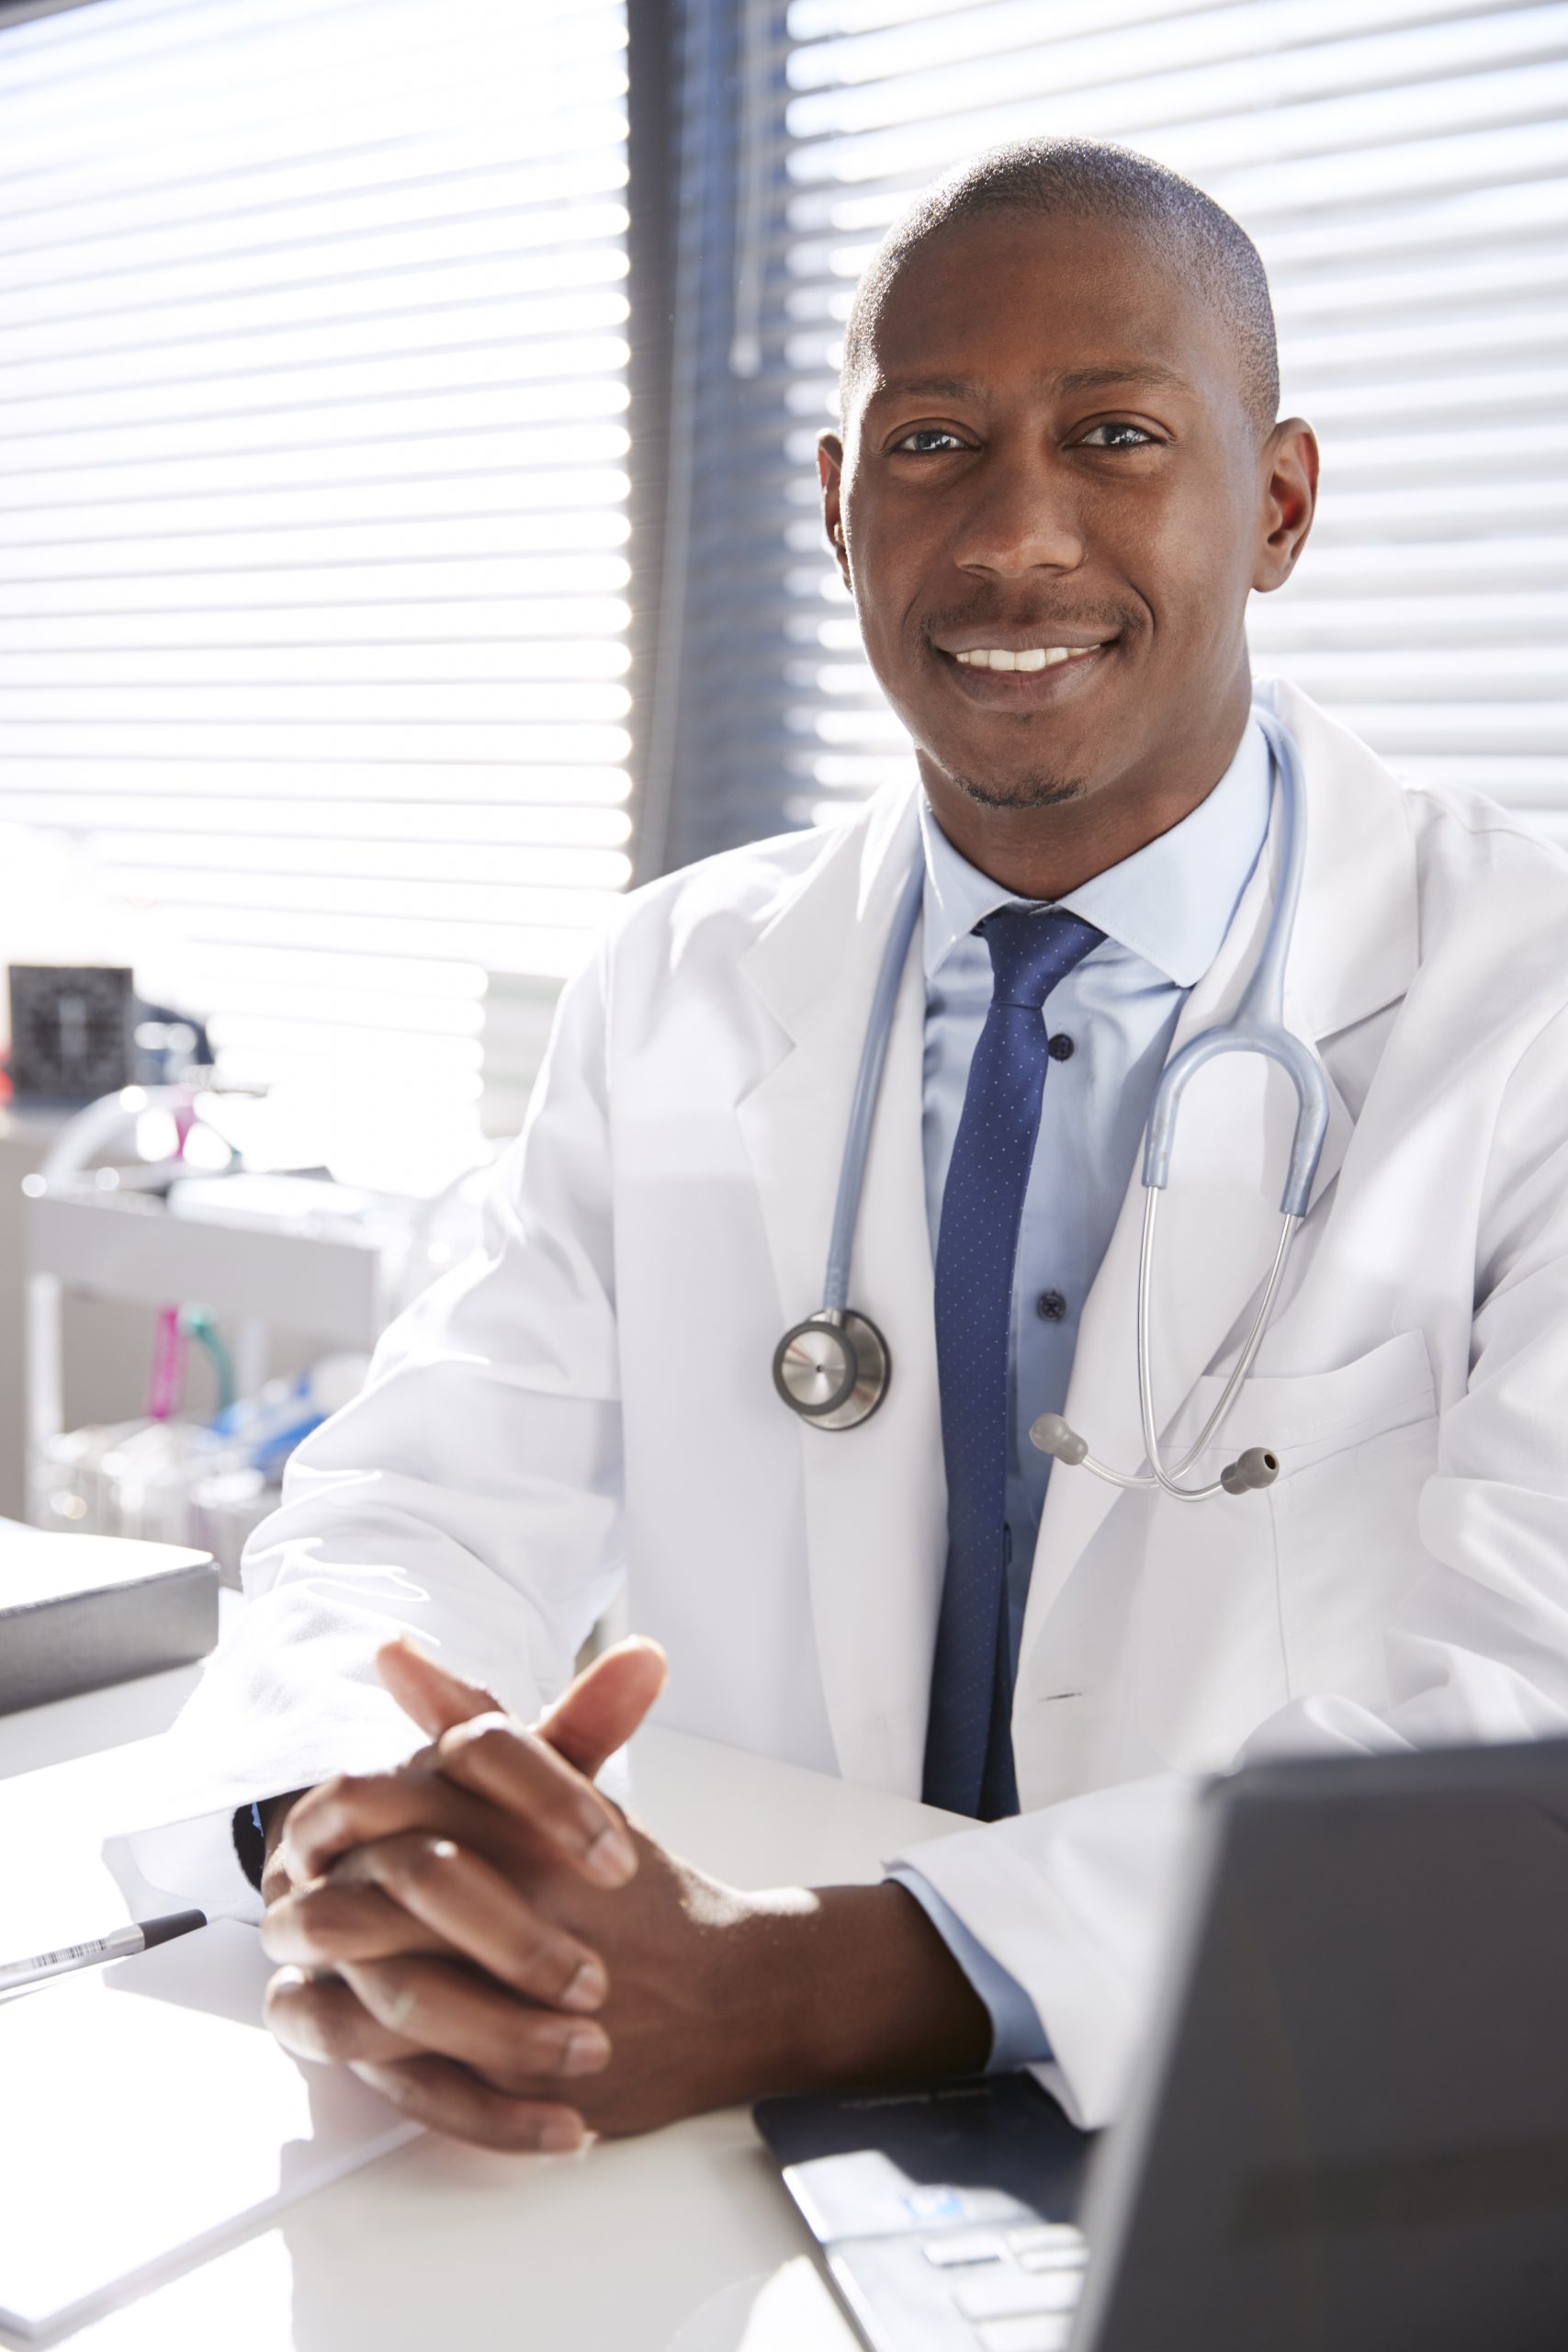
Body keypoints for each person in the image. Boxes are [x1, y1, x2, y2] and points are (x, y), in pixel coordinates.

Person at [132, 136, 1568, 2152]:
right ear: (832, 505)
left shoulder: (1522, 996)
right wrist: (360, 1827)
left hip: (1306, 2109)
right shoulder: (678, 973)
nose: (1014, 538)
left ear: (1275, 502)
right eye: (927, 443)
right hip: (678, 2105)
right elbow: (412, 1504)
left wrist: (778, 1978)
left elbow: (1520, 1723)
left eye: (1115, 433)